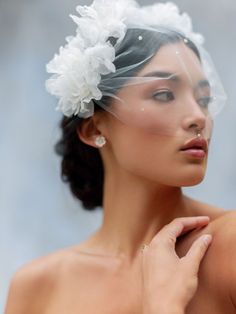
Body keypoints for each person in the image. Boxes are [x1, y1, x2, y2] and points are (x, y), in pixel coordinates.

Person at [4, 1, 236, 313]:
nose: (198, 117)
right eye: (164, 94)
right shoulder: (37, 286)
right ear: (93, 128)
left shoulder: (228, 247)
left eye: (204, 99)